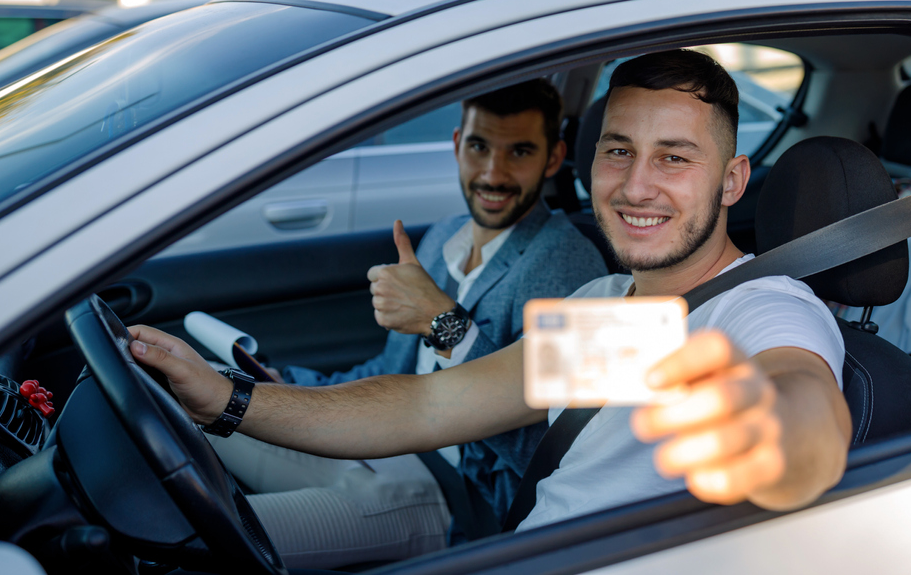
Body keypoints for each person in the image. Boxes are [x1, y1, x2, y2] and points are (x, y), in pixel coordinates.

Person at [133, 49, 853, 550]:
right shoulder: (611, 308)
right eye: (618, 150)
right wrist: (226, 400)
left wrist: (767, 430)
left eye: (674, 156)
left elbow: (805, 401)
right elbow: (426, 405)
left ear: (731, 182)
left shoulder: (762, 304)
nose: (636, 185)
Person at [210, 79, 608, 568]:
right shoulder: (445, 235)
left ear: (552, 158)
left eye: (519, 151)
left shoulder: (568, 266)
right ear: (458, 145)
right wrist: (290, 384)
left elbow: (550, 450)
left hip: (455, 494)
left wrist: (444, 322)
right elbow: (390, 370)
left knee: (217, 532)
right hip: (380, 439)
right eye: (480, 146)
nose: (493, 173)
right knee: (200, 395)